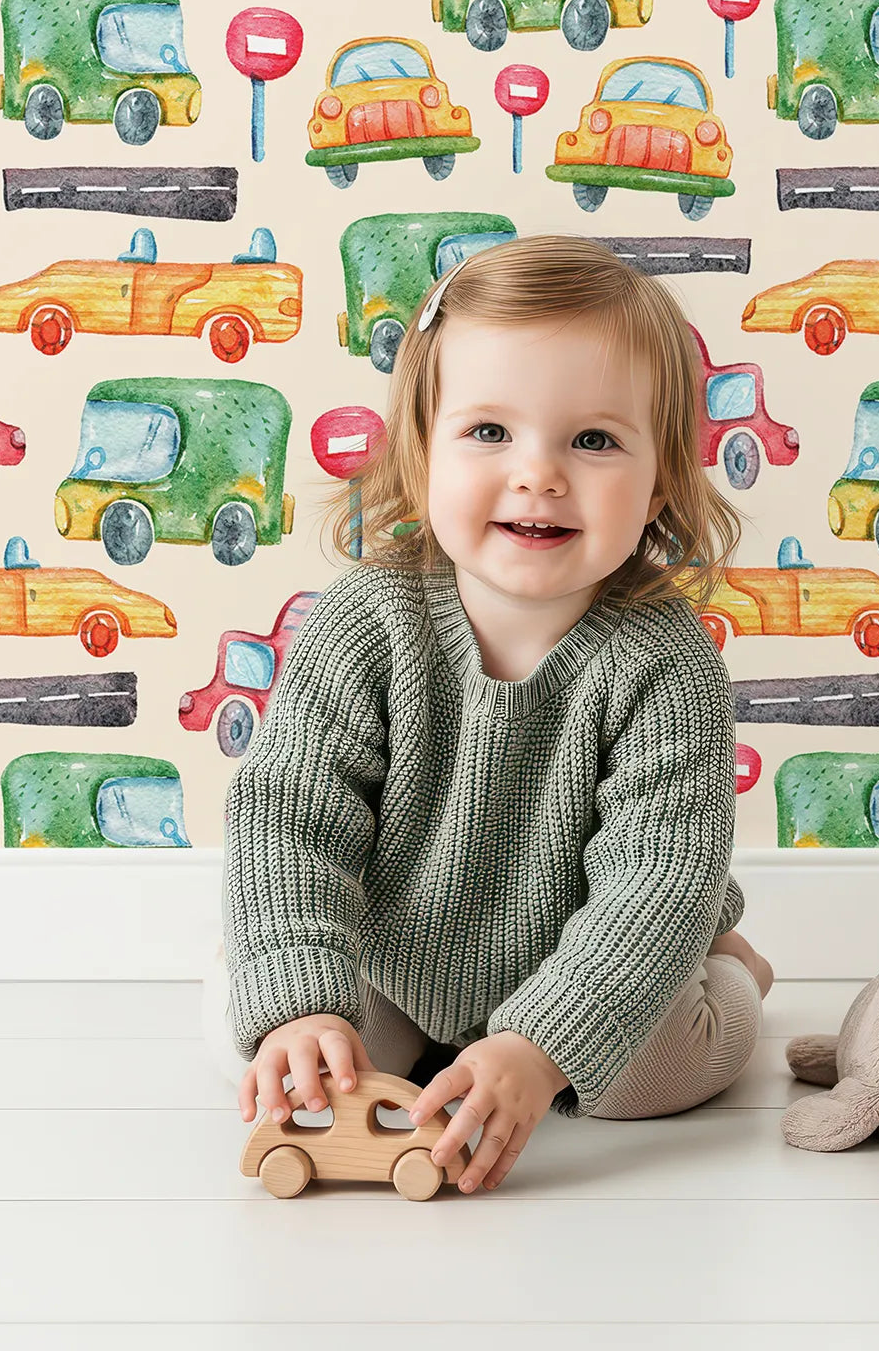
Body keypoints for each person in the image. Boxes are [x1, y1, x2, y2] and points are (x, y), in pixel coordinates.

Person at [201, 233, 774, 1196]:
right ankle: (350, 1013)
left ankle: (735, 977)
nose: (538, 475)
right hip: (400, 948)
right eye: (489, 432)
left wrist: (541, 1045)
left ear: (663, 477)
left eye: (593, 440)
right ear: (423, 447)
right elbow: (288, 817)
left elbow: (659, 874)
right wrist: (302, 1002)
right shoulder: (366, 622)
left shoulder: (663, 658)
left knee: (652, 1078)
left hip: (588, 949)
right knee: (257, 1039)